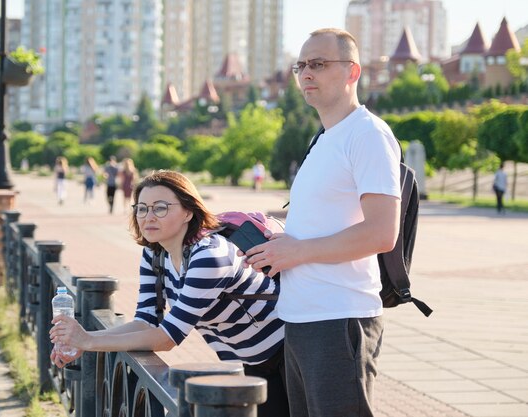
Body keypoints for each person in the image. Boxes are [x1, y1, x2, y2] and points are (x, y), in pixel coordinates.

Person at [244, 28, 401, 417]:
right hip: (300, 318)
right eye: (301, 66)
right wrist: (270, 228)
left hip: (339, 320)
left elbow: (382, 233)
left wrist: (296, 251)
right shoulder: (324, 139)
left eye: (318, 64)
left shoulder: (367, 134)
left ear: (352, 72)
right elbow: (322, 220)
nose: (306, 74)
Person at [50, 170, 289, 417]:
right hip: (254, 357)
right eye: (141, 208)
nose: (148, 217)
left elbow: (167, 338)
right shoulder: (155, 253)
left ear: (188, 211)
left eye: (160, 208)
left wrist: (88, 341)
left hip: (291, 347)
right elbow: (145, 322)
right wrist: (86, 339)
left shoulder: (210, 256)